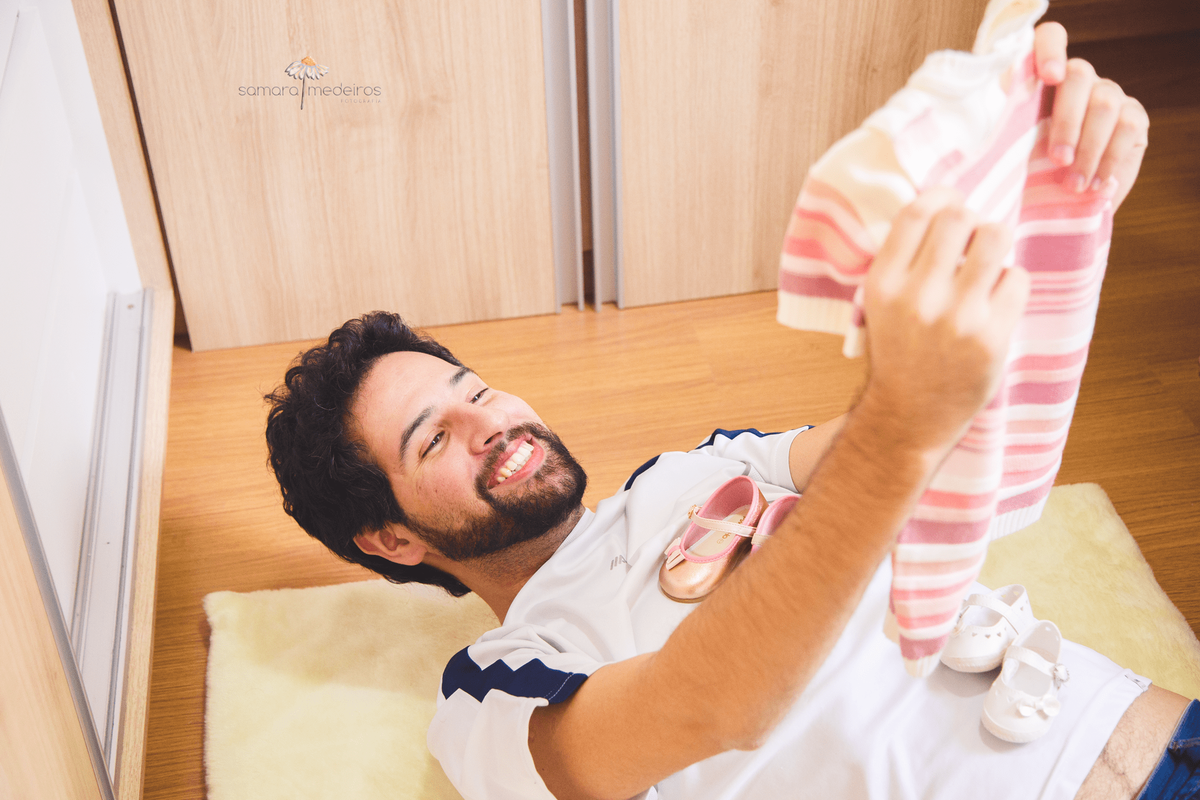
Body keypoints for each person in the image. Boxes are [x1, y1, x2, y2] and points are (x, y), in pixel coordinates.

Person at [264, 23, 1197, 800]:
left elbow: (935, 432)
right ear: (390, 539)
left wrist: (1044, 203)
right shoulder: (492, 697)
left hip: (1156, 726)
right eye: (434, 438)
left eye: (471, 388)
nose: (488, 422)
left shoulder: (699, 471)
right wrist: (902, 424)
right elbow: (708, 709)